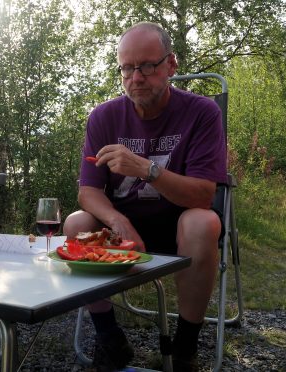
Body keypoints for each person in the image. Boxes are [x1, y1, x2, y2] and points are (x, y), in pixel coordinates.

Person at [63, 22, 227, 372]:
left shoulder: (201, 113)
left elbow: (203, 193)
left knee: (204, 221)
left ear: (171, 65)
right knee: (76, 222)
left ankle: (184, 349)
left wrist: (147, 169)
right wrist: (118, 221)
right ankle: (109, 337)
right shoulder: (104, 116)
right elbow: (88, 191)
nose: (135, 77)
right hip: (124, 231)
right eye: (127, 68)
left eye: (147, 66)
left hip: (179, 227)